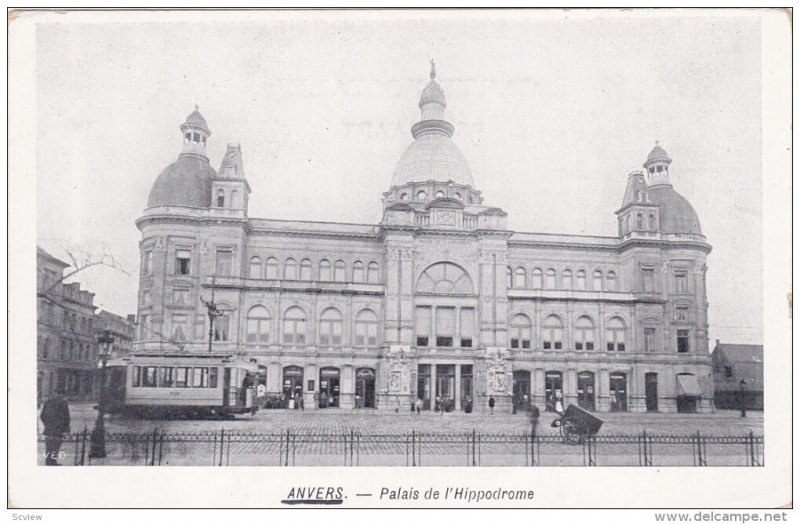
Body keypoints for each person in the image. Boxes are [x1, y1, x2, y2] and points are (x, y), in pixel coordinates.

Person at [41, 394, 70, 466]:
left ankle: (48, 462)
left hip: (49, 429)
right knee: (56, 446)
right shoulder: (63, 403)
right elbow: (66, 417)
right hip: (58, 429)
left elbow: (42, 415)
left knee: (48, 446)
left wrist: (47, 424)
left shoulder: (48, 402)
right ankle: (53, 462)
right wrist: (65, 429)